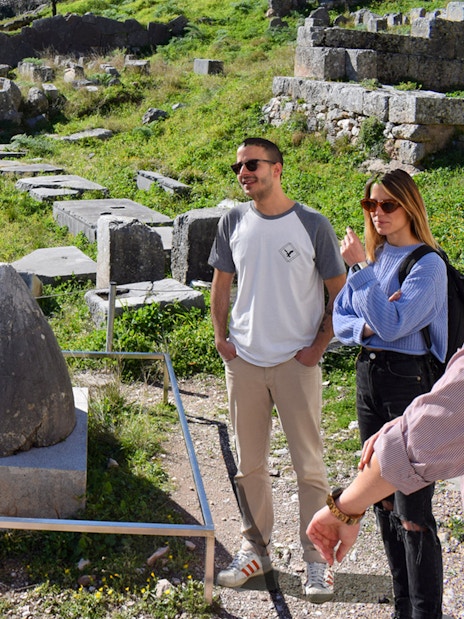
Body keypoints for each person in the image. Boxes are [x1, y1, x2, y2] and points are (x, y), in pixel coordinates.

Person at [208, 137, 346, 602]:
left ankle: (316, 561)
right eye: (238, 167)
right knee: (249, 465)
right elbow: (221, 284)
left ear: (277, 169)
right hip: (244, 361)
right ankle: (254, 549)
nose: (243, 172)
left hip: (295, 363)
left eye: (252, 165)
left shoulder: (312, 224)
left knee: (309, 465)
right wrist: (221, 338)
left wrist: (319, 345)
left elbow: (338, 290)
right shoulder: (232, 220)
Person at [332, 169, 448, 619]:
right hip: (370, 375)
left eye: (387, 205)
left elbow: (396, 326)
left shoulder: (428, 265)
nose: (377, 214)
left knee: (412, 508)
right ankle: (402, 607)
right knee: (379, 498)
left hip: (409, 381)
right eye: (370, 206)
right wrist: (370, 316)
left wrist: (362, 275)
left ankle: (425, 613)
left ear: (408, 206)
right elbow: (342, 318)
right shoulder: (376, 258)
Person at [306, 346, 464, 571]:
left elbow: (414, 443)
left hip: (409, 369)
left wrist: (344, 508)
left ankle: (423, 607)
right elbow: (345, 320)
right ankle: (402, 605)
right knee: (386, 509)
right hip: (372, 369)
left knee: (414, 518)